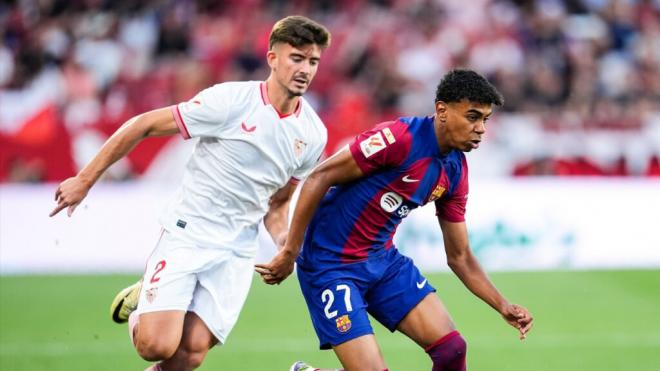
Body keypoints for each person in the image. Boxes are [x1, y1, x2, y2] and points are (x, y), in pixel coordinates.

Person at [50, 15, 331, 371]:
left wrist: (284, 245)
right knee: (156, 345)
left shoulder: (312, 134)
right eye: (296, 58)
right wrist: (85, 180)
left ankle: (158, 304)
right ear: (272, 58)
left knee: (189, 355)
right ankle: (144, 304)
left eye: (313, 61)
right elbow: (144, 124)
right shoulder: (230, 101)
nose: (305, 69)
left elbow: (278, 204)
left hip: (236, 249)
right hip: (189, 232)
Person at [256, 69, 534, 371]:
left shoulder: (455, 171)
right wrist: (290, 251)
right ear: (442, 110)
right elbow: (320, 176)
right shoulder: (399, 139)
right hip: (331, 268)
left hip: (383, 263)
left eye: (485, 119)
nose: (480, 128)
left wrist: (502, 304)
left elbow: (460, 256)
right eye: (472, 117)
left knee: (452, 350)